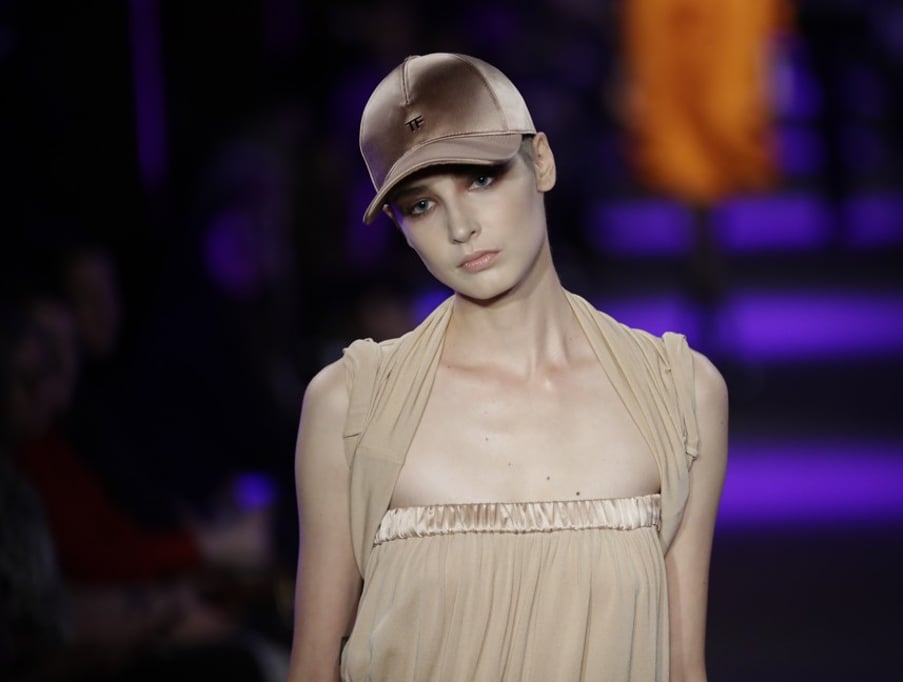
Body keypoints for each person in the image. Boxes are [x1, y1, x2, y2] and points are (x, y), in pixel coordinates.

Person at [287, 53, 728, 682]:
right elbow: (313, 670)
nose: (461, 227)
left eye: (481, 179)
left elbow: (683, 668)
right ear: (398, 225)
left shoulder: (679, 394)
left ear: (540, 161)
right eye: (421, 206)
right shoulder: (350, 408)